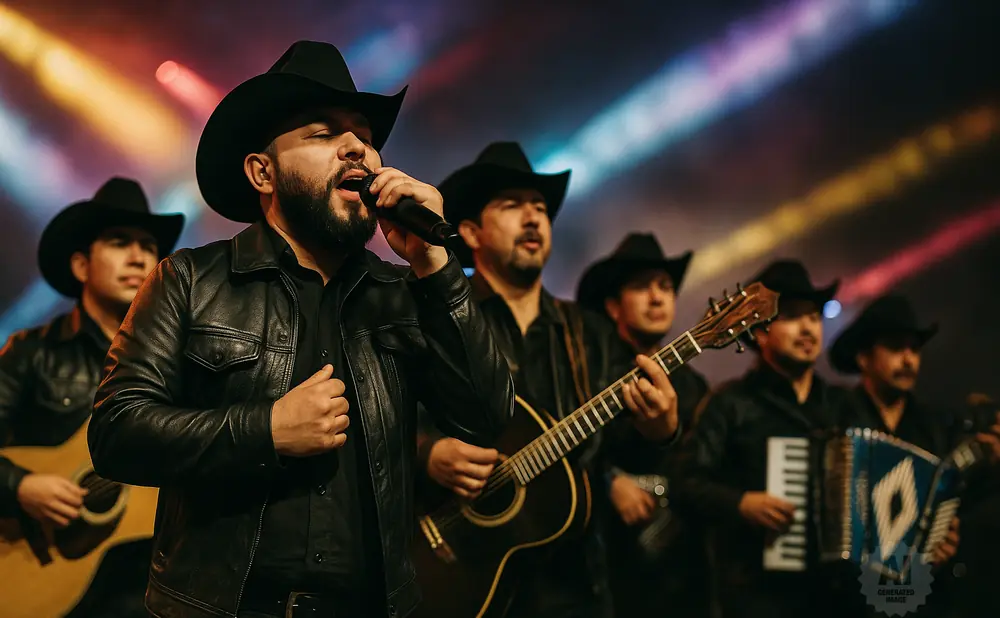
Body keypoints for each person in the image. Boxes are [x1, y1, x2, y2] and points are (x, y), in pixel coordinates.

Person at [87, 41, 514, 618]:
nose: (357, 148)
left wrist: (435, 264)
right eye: (324, 133)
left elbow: (486, 415)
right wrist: (265, 430)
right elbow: (117, 433)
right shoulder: (189, 280)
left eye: (364, 135)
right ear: (263, 172)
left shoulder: (404, 292)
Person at [417, 142, 681, 618]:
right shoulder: (436, 316)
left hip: (574, 580)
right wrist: (427, 452)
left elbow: (619, 451)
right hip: (461, 565)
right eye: (512, 205)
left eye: (540, 207)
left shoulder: (590, 334)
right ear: (472, 232)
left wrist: (660, 430)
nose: (533, 218)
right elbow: (382, 414)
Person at [0, 177, 184, 617]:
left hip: (147, 588)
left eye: (148, 246)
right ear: (82, 265)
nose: (138, 256)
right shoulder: (32, 352)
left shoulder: (184, 367)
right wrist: (19, 486)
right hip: (41, 575)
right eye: (120, 242)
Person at [673, 259, 858, 618]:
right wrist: (740, 503)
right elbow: (683, 482)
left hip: (839, 598)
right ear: (759, 332)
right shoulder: (730, 403)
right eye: (791, 316)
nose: (808, 328)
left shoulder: (845, 406)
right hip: (757, 596)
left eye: (814, 316)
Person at [828, 293, 1000, 617]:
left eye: (914, 349)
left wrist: (949, 533)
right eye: (896, 348)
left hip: (921, 597)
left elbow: (962, 499)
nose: (908, 359)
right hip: (844, 599)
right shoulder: (836, 418)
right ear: (864, 358)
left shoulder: (938, 427)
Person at [576, 232, 709, 618]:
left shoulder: (694, 385)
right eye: (641, 287)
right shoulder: (587, 370)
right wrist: (609, 480)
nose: (657, 297)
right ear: (613, 306)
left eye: (665, 287)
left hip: (679, 571)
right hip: (603, 563)